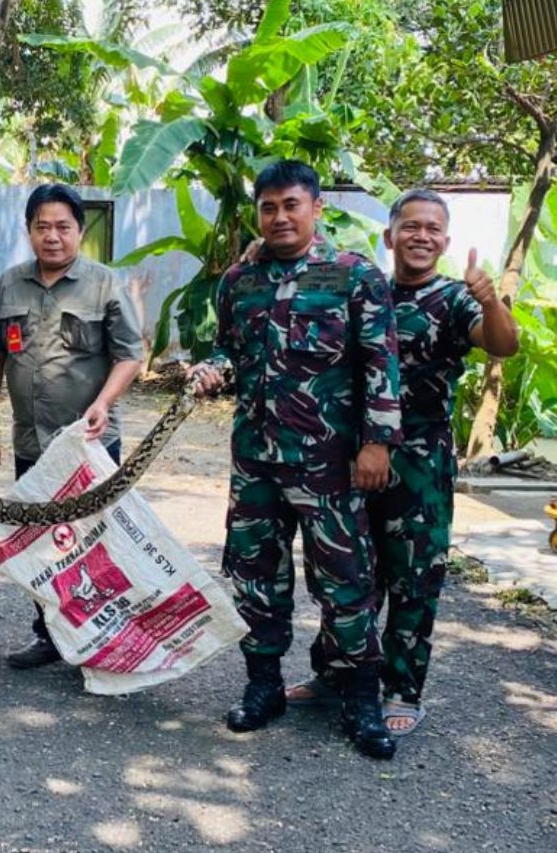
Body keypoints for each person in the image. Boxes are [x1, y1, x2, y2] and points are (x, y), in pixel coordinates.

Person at [188, 159, 403, 759]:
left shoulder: (354, 276)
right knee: (255, 574)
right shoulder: (240, 280)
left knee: (345, 581)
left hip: (331, 463)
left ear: (316, 209)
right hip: (256, 458)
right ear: (257, 213)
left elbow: (380, 365)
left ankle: (360, 698)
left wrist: (376, 442)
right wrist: (212, 371)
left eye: (291, 205)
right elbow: (230, 351)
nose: (280, 217)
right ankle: (264, 688)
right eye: (268, 207)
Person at [288, 189, 519, 736]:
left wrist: (489, 300)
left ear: (445, 240)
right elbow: (299, 273)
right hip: (353, 453)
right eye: (410, 226)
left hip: (419, 461)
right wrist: (256, 249)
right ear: (390, 237)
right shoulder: (362, 289)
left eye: (433, 229)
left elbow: (503, 345)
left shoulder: (453, 299)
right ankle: (335, 674)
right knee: (344, 573)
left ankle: (402, 688)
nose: (421, 236)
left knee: (413, 578)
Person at [0, 183, 143, 669]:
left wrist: (105, 402)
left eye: (63, 227)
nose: (53, 237)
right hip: (32, 441)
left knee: (95, 541)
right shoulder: (7, 285)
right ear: (29, 231)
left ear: (79, 230)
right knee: (43, 542)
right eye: (42, 227)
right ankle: (50, 634)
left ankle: (102, 642)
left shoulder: (104, 283)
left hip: (91, 442)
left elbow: (130, 355)